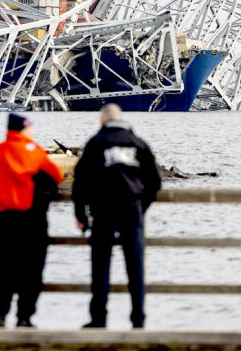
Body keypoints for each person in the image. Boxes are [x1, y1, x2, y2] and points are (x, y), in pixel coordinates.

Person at [73, 103, 162, 329]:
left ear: (103, 120)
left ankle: (99, 319)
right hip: (131, 210)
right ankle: (138, 320)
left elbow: (80, 181)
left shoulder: (95, 143)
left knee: (100, 266)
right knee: (135, 267)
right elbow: (155, 182)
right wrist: (143, 205)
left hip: (103, 210)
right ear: (122, 120)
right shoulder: (139, 144)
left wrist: (80, 213)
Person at [0, 114, 64, 328]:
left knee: (4, 270)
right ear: (25, 130)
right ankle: (24, 317)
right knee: (32, 270)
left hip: (4, 219)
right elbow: (57, 175)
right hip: (32, 218)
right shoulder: (34, 152)